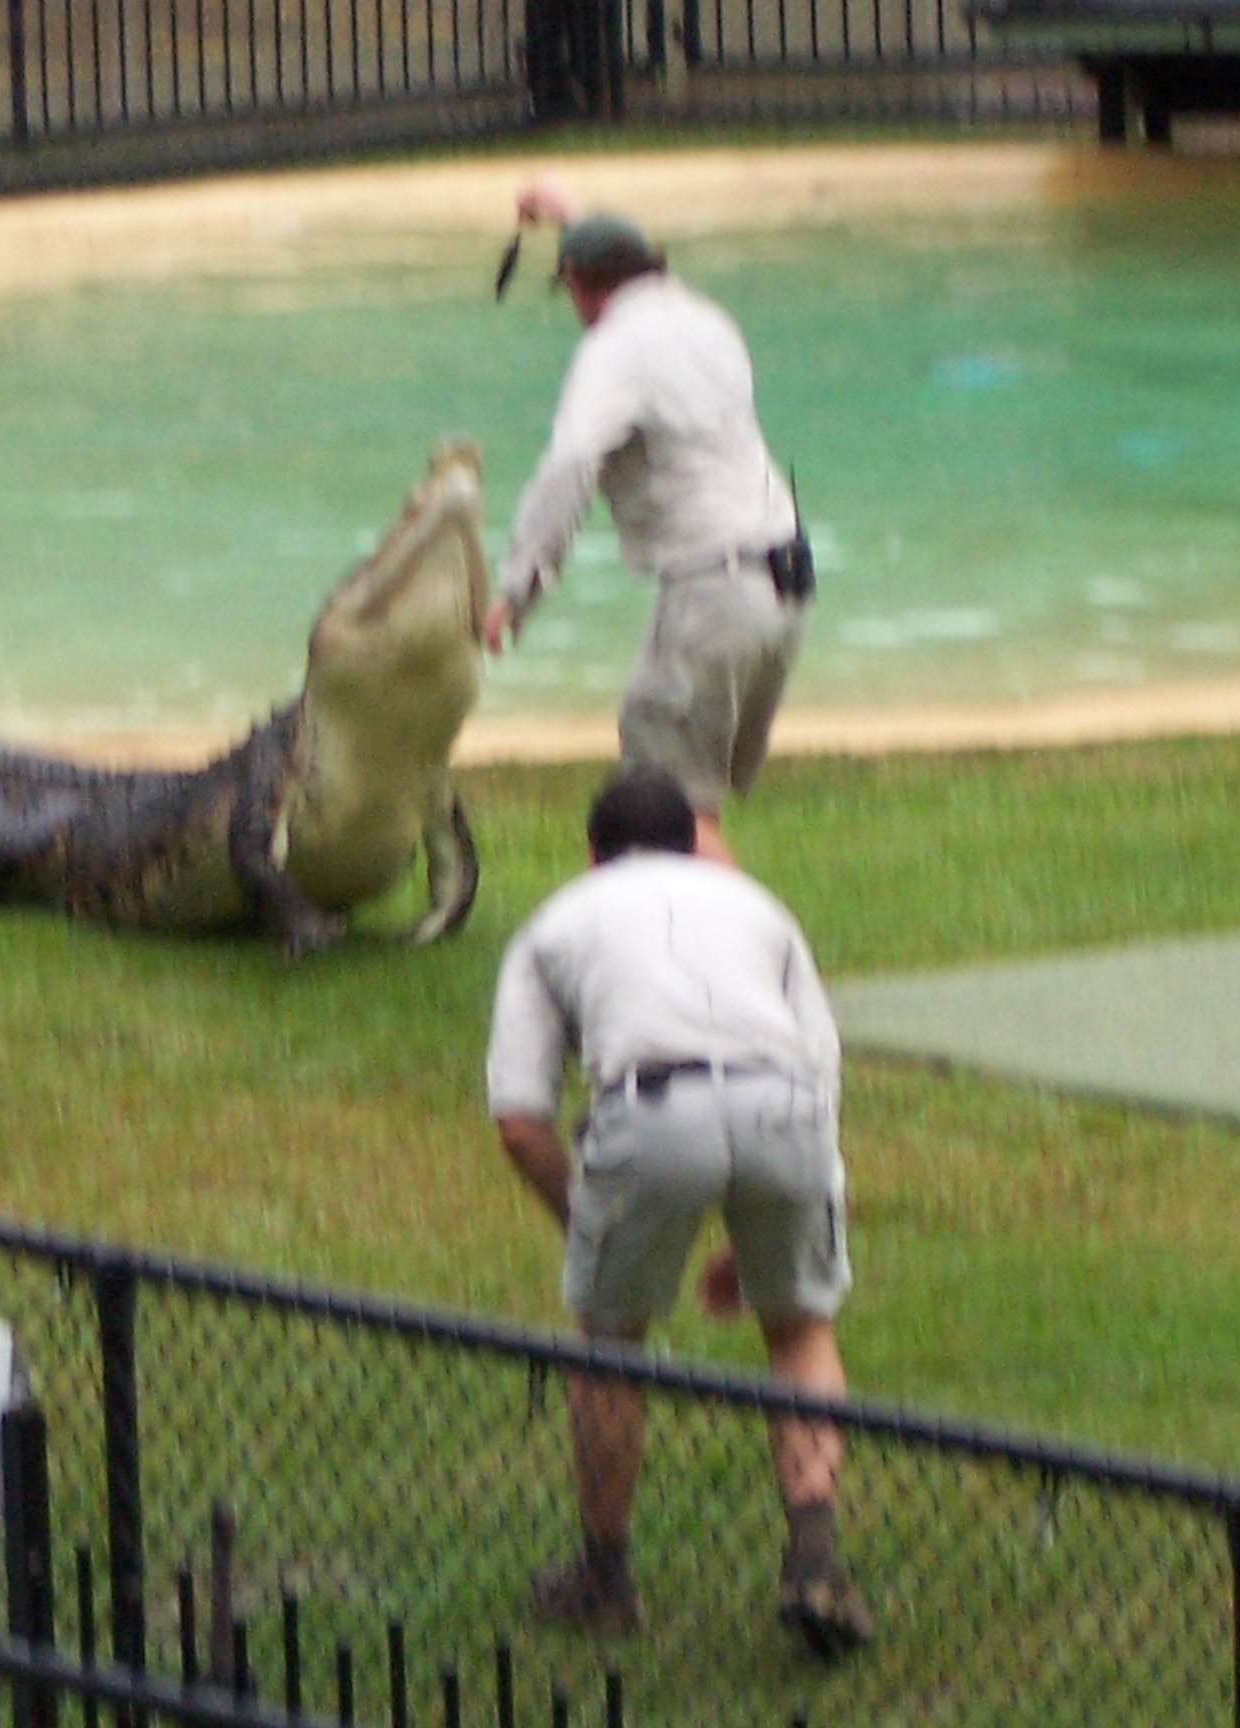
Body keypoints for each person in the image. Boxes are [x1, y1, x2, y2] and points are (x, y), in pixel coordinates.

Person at [484, 769, 872, 1658]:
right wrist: (777, 1217)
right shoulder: (759, 910)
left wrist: (586, 1218)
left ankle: (605, 1574)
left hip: (650, 1109)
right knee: (800, 1328)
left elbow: (518, 1121)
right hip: (787, 1109)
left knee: (611, 1338)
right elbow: (821, 1068)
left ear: (591, 857)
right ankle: (812, 1557)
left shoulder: (556, 923)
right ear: (697, 846)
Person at [484, 178, 812, 871]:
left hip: (716, 589)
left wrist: (517, 588)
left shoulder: (613, 352)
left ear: (577, 283)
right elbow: (624, 266)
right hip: (784, 584)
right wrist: (571, 214)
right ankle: (659, 962)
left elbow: (571, 463)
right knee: (668, 811)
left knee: (662, 817)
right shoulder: (701, 319)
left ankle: (754, 966)